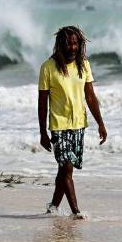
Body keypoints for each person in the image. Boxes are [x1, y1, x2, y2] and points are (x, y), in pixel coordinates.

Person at [38, 25, 107, 219]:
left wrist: (100, 123)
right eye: (69, 43)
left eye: (76, 43)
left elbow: (90, 97)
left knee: (65, 169)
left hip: (78, 124)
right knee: (67, 166)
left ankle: (53, 206)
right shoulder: (48, 68)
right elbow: (42, 103)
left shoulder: (83, 64)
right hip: (58, 125)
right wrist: (43, 132)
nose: (73, 47)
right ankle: (76, 212)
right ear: (60, 44)